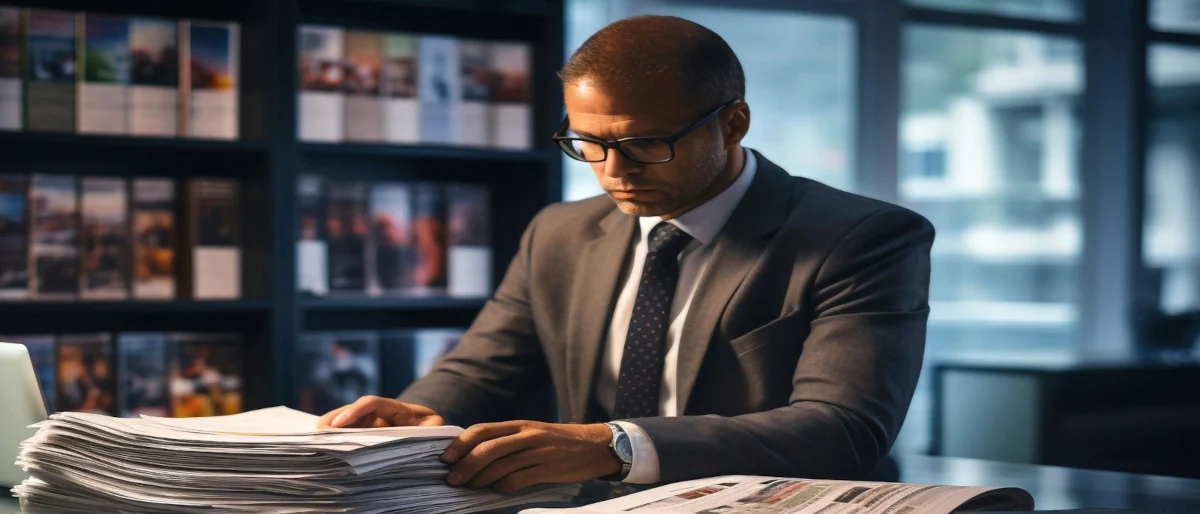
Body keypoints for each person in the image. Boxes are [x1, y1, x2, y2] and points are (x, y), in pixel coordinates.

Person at [319, 15, 934, 494]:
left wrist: (617, 446)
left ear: (733, 124)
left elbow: (842, 429)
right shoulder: (557, 232)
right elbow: (483, 368)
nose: (614, 173)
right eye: (587, 143)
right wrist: (422, 412)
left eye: (646, 144)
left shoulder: (864, 237)